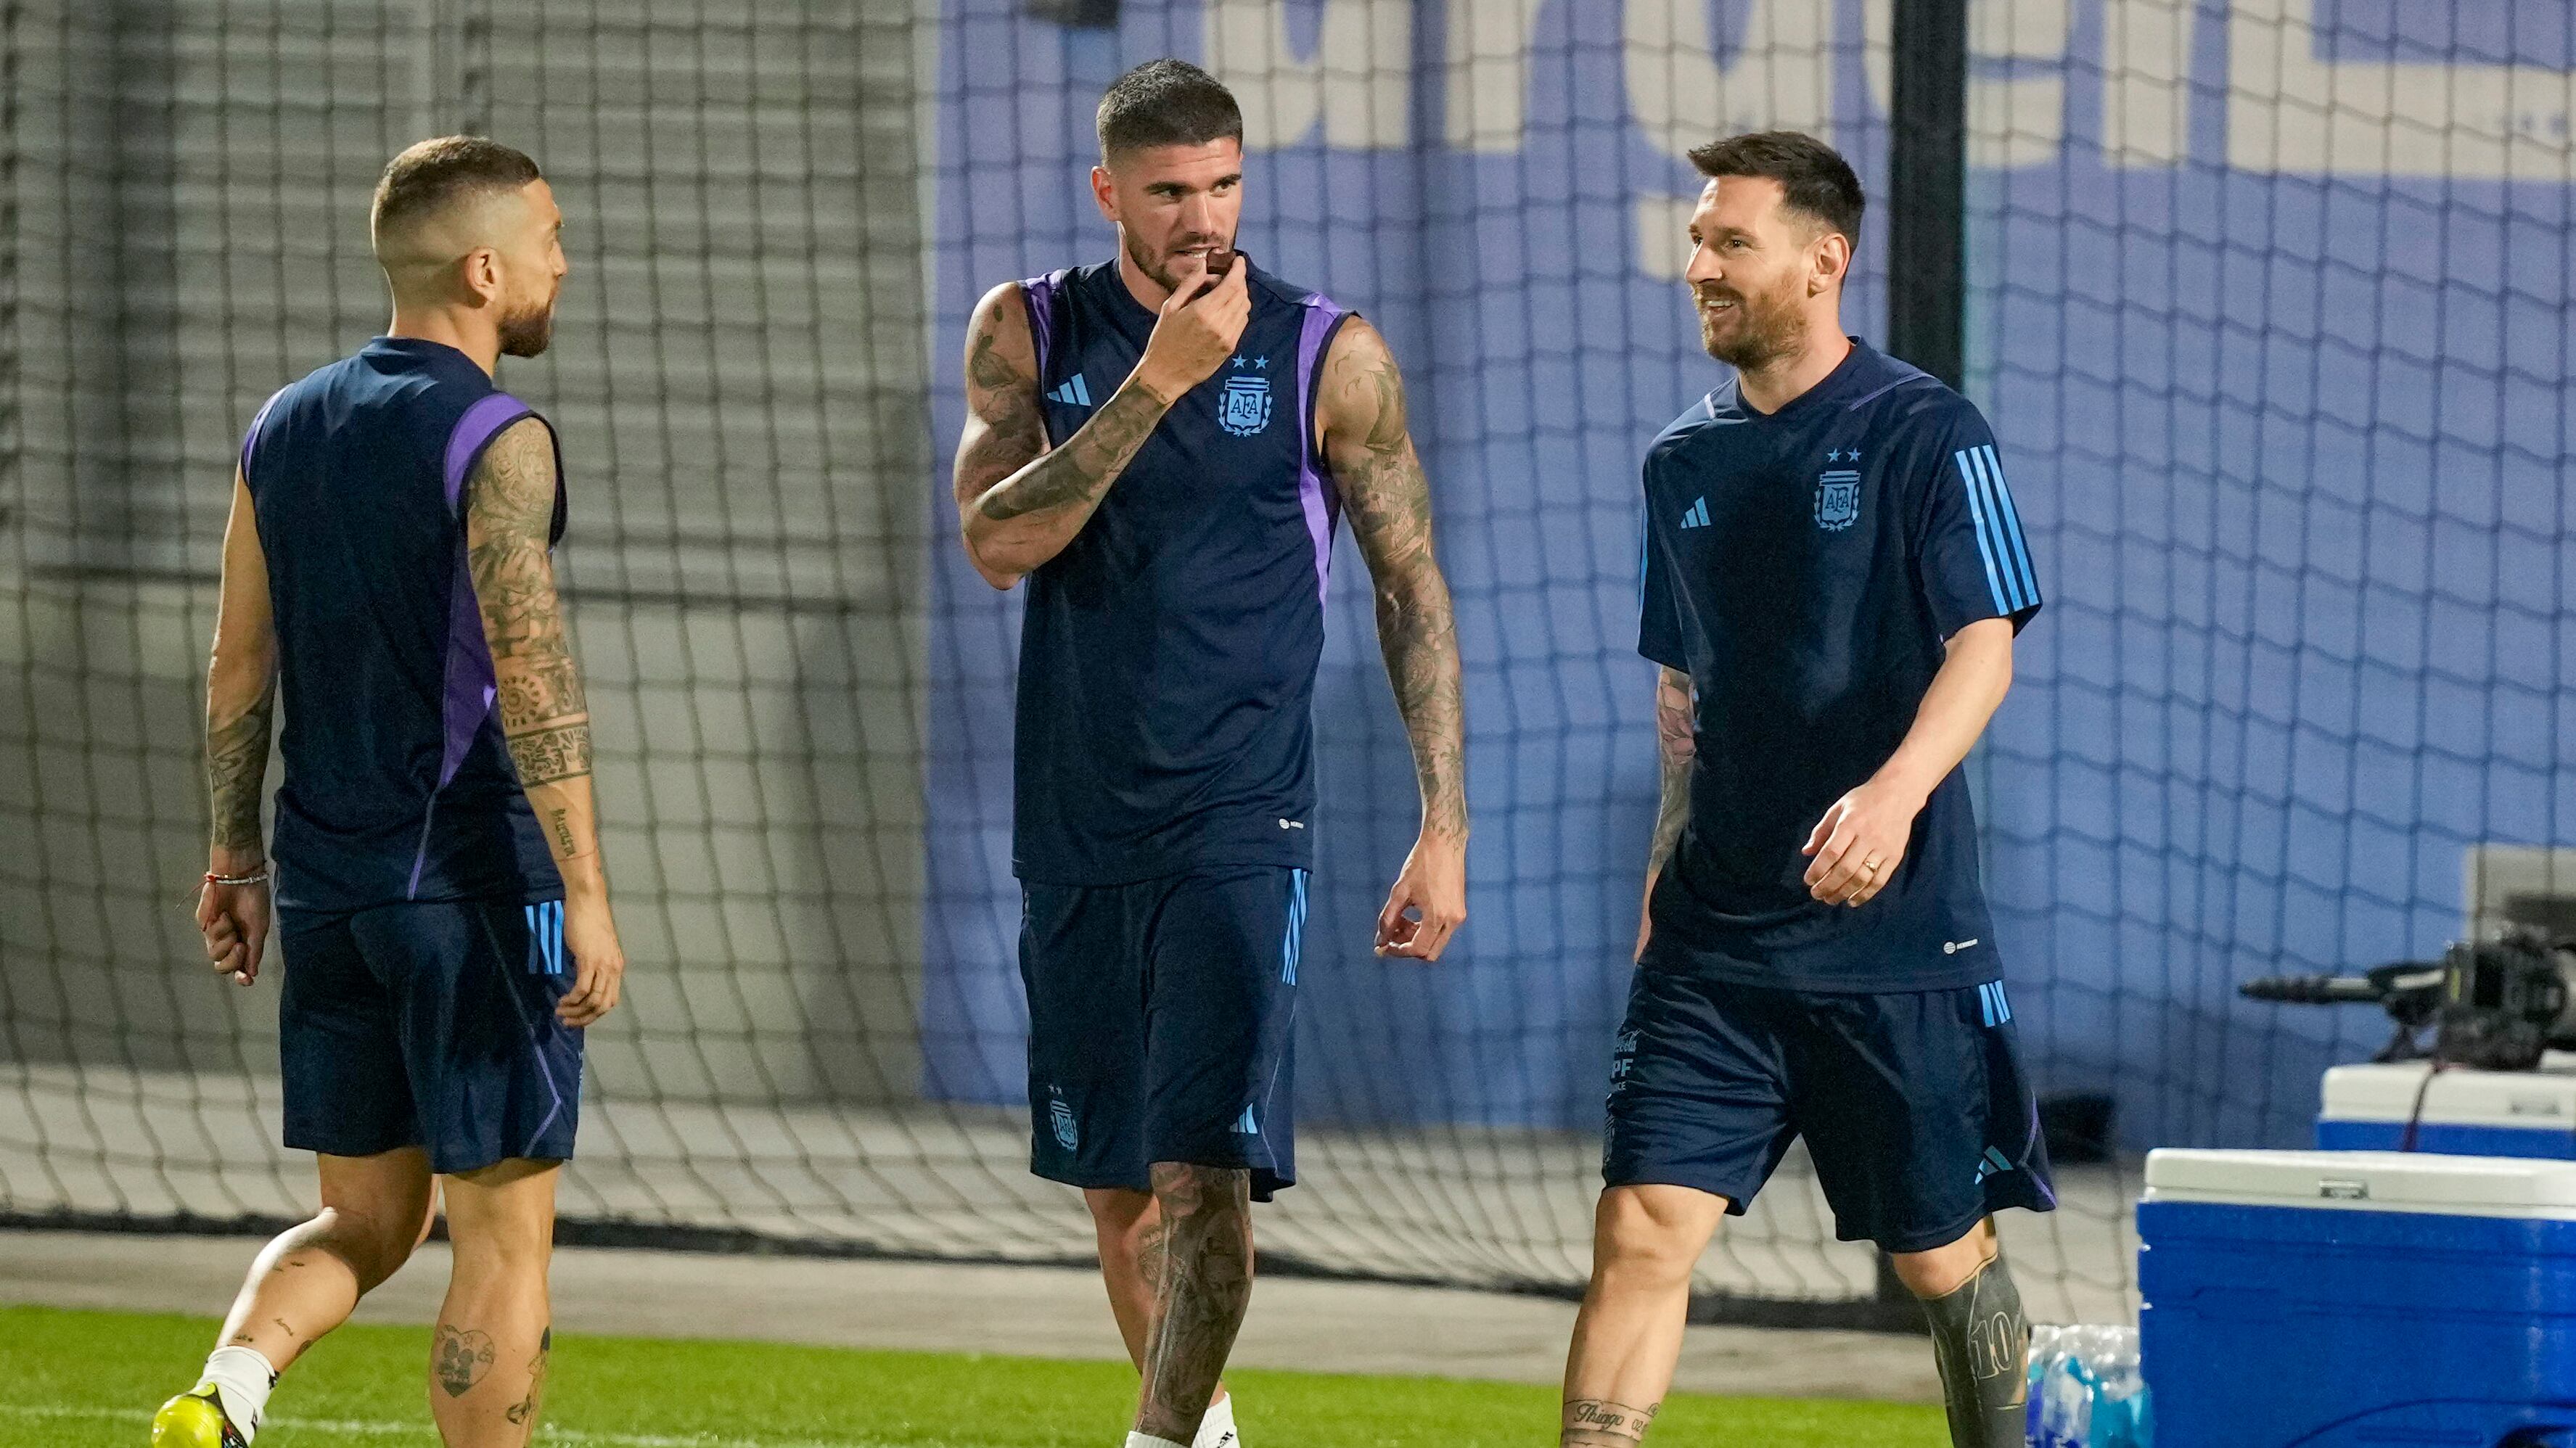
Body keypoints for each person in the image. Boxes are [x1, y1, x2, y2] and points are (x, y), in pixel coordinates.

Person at [952, 57, 1468, 1448]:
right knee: (1119, 1196)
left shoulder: (1326, 352)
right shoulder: (1027, 328)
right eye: (1170, 191)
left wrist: (1443, 823)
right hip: (1074, 822)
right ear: (1107, 191)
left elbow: (1410, 589)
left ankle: (1155, 1440)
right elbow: (996, 542)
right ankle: (1204, 1432)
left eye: (1224, 186)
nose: (1201, 218)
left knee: (1206, 1179)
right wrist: (1154, 386)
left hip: (1242, 821)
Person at [1559, 131, 2051, 1448]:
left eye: (1731, 242)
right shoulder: (1680, 460)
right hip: (1713, 942)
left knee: (1940, 1256)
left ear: (1823, 260)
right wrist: (1659, 889)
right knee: (1640, 1229)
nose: (1698, 268)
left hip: (1893, 939)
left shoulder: (1926, 430)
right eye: (1696, 241)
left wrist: (1892, 796)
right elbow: (1685, 705)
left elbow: (1984, 643)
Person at [153, 135, 625, 1448]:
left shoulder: (284, 425)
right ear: (484, 270)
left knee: (366, 1219)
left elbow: (238, 660)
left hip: (331, 890)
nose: (562, 263)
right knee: (502, 1240)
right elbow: (532, 675)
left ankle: (228, 1390)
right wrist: (584, 892)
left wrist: (235, 863)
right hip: (473, 891)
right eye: (547, 240)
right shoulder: (498, 435)